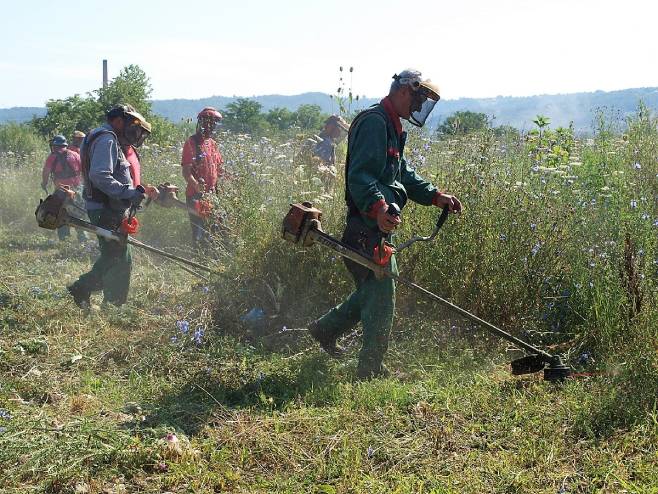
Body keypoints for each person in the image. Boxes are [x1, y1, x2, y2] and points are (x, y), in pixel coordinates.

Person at [308, 69, 463, 379]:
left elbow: (401, 174)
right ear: (405, 91)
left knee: (371, 292)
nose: (419, 109)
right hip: (365, 229)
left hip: (376, 228)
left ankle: (324, 330)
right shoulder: (374, 123)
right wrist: (379, 207)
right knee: (382, 298)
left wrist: (436, 197)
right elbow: (360, 176)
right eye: (419, 101)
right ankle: (370, 370)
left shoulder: (392, 127)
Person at [67, 104, 158, 308]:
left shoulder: (105, 137)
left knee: (115, 256)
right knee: (117, 258)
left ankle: (104, 298)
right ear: (118, 121)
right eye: (132, 127)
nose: (135, 134)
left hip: (106, 206)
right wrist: (127, 193)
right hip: (106, 208)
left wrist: (136, 190)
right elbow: (100, 175)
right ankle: (91, 292)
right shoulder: (107, 139)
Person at [180, 107, 224, 248]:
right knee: (199, 233)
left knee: (215, 230)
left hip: (212, 194)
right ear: (202, 123)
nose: (211, 126)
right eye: (209, 123)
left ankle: (211, 261)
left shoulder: (213, 144)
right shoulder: (191, 143)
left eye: (214, 124)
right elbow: (186, 172)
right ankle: (199, 261)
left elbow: (219, 169)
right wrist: (195, 184)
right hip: (196, 196)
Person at [40, 135, 86, 241]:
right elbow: (83, 171)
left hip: (61, 191)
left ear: (55, 145)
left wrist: (44, 183)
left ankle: (64, 238)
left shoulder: (52, 157)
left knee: (60, 213)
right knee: (79, 213)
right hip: (76, 189)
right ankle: (83, 238)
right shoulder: (75, 155)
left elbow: (46, 172)